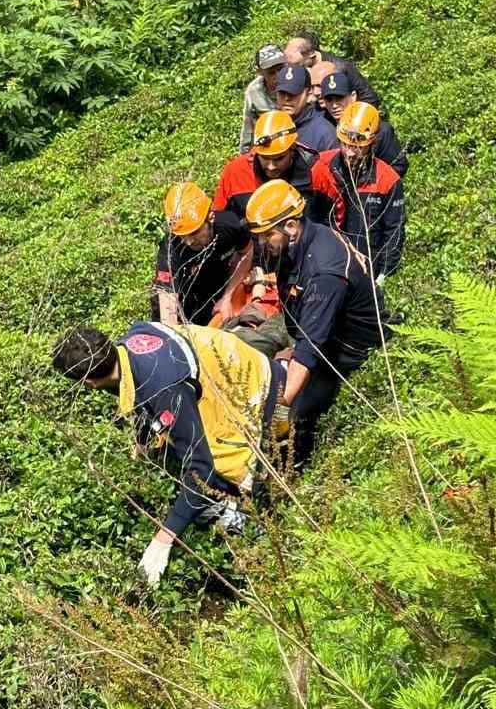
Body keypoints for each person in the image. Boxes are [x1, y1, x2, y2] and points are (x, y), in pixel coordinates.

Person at [52, 320, 280, 587]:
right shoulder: (132, 339)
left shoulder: (164, 389)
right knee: (173, 447)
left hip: (254, 388)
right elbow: (138, 392)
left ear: (89, 382)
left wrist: (163, 539)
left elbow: (201, 470)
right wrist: (143, 437)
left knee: (218, 477)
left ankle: (264, 546)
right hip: (232, 363)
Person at [245, 179, 387, 468]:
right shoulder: (297, 244)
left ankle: (289, 473)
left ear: (291, 226)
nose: (262, 243)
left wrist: (282, 407)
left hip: (344, 351)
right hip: (309, 329)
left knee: (292, 415)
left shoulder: (325, 272)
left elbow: (311, 350)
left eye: (266, 235)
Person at [311, 102, 406, 283]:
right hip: (328, 264)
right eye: (345, 144)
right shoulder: (321, 167)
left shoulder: (387, 180)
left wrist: (384, 275)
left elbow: (394, 231)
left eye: (357, 147)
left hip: (368, 268)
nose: (350, 152)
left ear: (372, 143)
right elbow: (310, 220)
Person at [152, 181, 252, 327]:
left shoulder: (229, 225)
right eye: (183, 236)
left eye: (194, 233)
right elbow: (167, 300)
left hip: (215, 289)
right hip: (184, 303)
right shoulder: (170, 248)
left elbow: (247, 252)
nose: (189, 242)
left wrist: (227, 297)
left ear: (210, 217)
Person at [213, 110, 329, 223]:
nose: (271, 167)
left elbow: (334, 221)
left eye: (279, 159)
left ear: (293, 149)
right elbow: (219, 224)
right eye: (264, 158)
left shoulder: (316, 172)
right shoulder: (235, 172)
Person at [318, 70, 408, 176]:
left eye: (339, 98)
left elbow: (398, 167)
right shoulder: (322, 127)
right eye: (329, 100)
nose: (334, 105)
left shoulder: (380, 129)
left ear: (353, 96)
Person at [284, 26, 379, 108]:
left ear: (311, 55)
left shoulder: (339, 68)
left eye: (297, 65)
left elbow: (369, 97)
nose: (293, 70)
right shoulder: (302, 69)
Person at [273, 63, 337, 152]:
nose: (287, 98)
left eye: (293, 93)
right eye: (282, 93)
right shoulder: (269, 125)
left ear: (308, 92)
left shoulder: (324, 133)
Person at [239, 43, 287, 154]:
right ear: (260, 72)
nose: (277, 76)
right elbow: (248, 128)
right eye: (271, 73)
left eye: (280, 69)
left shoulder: (297, 81)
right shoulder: (254, 91)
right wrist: (244, 155)